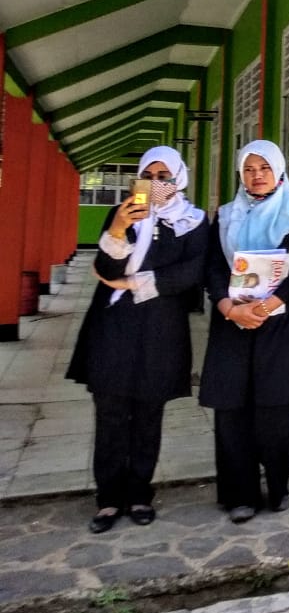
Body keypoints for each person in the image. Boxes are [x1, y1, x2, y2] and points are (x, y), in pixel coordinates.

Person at [67, 146, 208, 533]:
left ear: (179, 178)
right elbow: (103, 266)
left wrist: (132, 283)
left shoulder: (194, 221)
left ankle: (140, 493)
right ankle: (109, 499)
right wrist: (116, 230)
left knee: (149, 414)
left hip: (161, 331)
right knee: (110, 413)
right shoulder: (123, 215)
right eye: (150, 175)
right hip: (114, 327)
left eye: (165, 176)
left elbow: (191, 273)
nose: (157, 184)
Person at [201, 139, 289, 523]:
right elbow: (214, 269)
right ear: (240, 174)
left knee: (277, 414)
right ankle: (240, 494)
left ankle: (279, 485)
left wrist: (268, 305)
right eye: (249, 170)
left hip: (282, 325)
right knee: (233, 413)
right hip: (233, 325)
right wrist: (227, 307)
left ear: (279, 170)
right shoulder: (224, 216)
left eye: (264, 168)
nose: (257, 176)